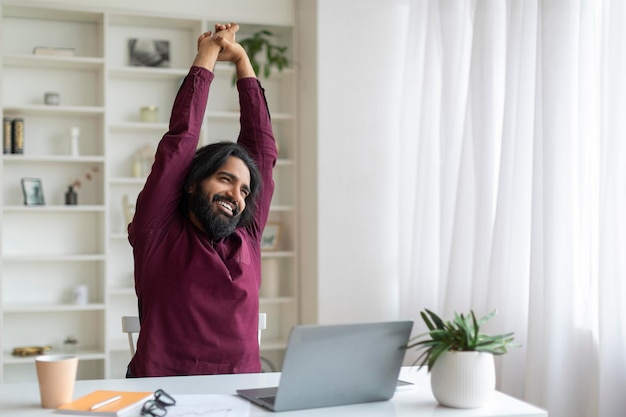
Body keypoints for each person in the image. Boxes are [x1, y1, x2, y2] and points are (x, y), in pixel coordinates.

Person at [126, 23, 278, 377]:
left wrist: (242, 60)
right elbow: (181, 141)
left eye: (244, 190)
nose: (236, 196)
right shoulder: (158, 232)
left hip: (241, 396)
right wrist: (207, 54)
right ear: (193, 183)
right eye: (225, 179)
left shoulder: (247, 236)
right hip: (162, 395)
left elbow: (264, 152)